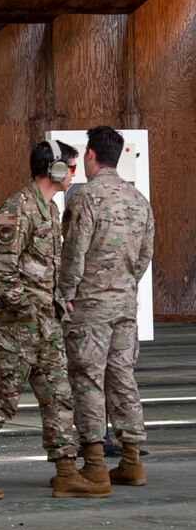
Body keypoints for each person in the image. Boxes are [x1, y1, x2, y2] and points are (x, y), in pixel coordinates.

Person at [0, 140, 110, 500]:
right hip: (17, 330)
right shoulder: (16, 210)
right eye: (69, 167)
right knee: (2, 400)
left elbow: (45, 270)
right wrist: (28, 311)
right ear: (52, 169)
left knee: (58, 397)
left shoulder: (49, 210)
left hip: (44, 327)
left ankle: (66, 471)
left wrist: (54, 305)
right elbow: (3, 275)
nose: (73, 173)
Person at [60, 126, 155, 487]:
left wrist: (66, 292)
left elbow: (73, 252)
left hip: (88, 308)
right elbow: (145, 255)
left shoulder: (85, 198)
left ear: (90, 156)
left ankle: (96, 463)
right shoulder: (138, 200)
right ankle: (131, 460)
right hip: (125, 305)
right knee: (123, 379)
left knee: (87, 381)